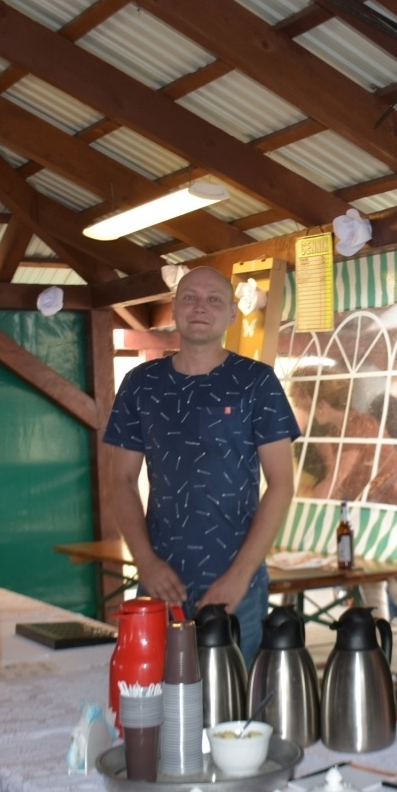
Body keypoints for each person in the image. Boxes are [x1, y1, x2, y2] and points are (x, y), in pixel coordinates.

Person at [104, 266, 299, 665]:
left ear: (231, 315)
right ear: (174, 308)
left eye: (215, 299)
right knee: (158, 705)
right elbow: (121, 480)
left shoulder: (257, 382)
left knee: (234, 712)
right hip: (159, 581)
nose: (200, 307)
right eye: (190, 297)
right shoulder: (140, 384)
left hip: (237, 584)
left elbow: (281, 485)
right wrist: (146, 563)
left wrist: (240, 576)